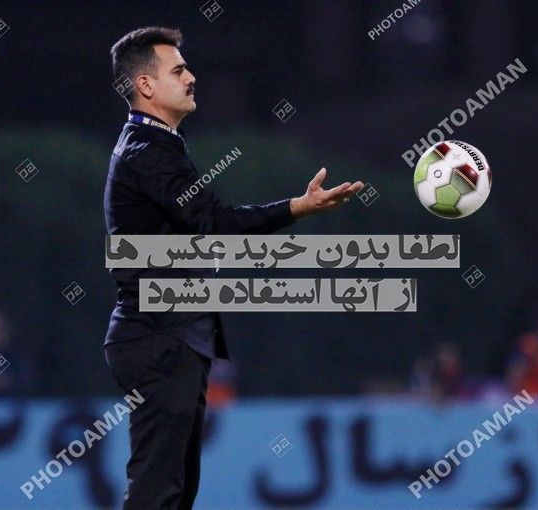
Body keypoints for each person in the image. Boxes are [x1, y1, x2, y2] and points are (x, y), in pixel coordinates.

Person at [103, 26, 363, 510]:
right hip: (159, 336)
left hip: (169, 335)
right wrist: (297, 208)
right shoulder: (148, 151)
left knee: (174, 492)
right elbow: (216, 224)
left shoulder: (157, 144)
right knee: (158, 493)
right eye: (178, 70)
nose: (191, 77)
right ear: (145, 85)